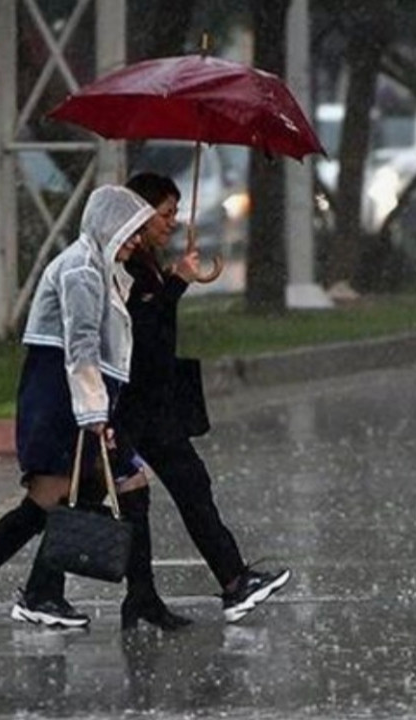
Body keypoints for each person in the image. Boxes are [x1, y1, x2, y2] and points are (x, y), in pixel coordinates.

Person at [0, 185, 156, 633]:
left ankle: (94, 594)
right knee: (50, 500)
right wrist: (96, 417)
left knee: (111, 489)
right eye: (131, 231)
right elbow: (81, 347)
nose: (137, 240)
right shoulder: (82, 271)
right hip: (61, 399)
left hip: (76, 397)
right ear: (108, 226)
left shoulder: (101, 269)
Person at [117, 171, 290, 627]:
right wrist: (175, 284)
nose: (173, 222)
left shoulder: (146, 260)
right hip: (133, 402)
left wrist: (176, 279)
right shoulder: (126, 264)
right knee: (76, 500)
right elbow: (141, 331)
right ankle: (37, 588)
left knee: (184, 488)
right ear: (139, 212)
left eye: (176, 212)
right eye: (166, 213)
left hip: (153, 401)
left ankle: (221, 582)